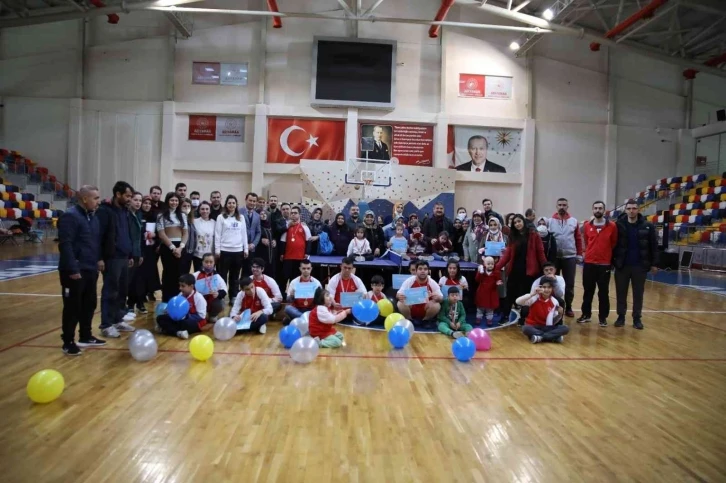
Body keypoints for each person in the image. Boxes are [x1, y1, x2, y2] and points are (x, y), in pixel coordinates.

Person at [57, 185, 106, 355]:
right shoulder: (70, 216)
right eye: (95, 198)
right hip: (74, 270)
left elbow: (95, 242)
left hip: (90, 268)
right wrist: (72, 268)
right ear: (84, 199)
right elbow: (66, 244)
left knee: (89, 303)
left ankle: (85, 335)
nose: (98, 201)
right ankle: (68, 341)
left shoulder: (93, 218)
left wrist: (98, 259)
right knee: (73, 307)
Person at [96, 181, 136, 338]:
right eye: (127, 196)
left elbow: (127, 233)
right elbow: (99, 236)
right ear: (118, 194)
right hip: (112, 258)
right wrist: (100, 258)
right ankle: (106, 324)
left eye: (131, 196)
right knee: (110, 291)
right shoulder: (104, 211)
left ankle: (117, 319)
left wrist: (130, 255)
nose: (129, 199)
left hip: (124, 257)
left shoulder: (125, 211)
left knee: (122, 291)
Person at [612, 200, 658, 330]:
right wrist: (613, 262)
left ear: (638, 210)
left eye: (634, 208)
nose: (631, 211)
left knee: (638, 294)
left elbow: (654, 246)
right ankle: (621, 317)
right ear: (625, 210)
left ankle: (637, 318)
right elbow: (613, 244)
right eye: (629, 208)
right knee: (621, 293)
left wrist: (654, 264)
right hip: (622, 265)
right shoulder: (618, 225)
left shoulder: (648, 226)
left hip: (640, 266)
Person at [495, 214, 547, 319]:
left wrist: (546, 268)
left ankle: (524, 318)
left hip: (529, 271)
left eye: (519, 221)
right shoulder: (512, 236)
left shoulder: (534, 235)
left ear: (523, 221)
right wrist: (496, 267)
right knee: (510, 294)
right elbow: (507, 254)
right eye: (515, 222)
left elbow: (540, 252)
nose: (517, 224)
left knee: (526, 295)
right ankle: (505, 315)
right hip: (514, 270)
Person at [578, 201, 618, 327]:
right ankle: (586, 315)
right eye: (595, 208)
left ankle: (603, 317)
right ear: (592, 210)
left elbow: (613, 242)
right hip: (589, 263)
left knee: (603, 292)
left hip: (604, 264)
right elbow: (586, 242)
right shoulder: (587, 226)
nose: (598, 210)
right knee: (588, 291)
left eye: (600, 208)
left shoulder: (612, 226)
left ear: (604, 210)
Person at [547, 198, 583, 318]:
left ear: (567, 207)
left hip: (570, 257)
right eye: (560, 205)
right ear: (556, 206)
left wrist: (579, 254)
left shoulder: (574, 221)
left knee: (569, 284)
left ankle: (569, 307)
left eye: (564, 205)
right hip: (554, 258)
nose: (562, 207)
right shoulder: (549, 221)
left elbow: (578, 239)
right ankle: (554, 306)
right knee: (553, 282)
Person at [215, 194, 249, 305]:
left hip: (238, 251)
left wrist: (245, 249)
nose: (231, 205)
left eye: (233, 203)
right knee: (222, 275)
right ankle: (221, 297)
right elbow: (217, 234)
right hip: (224, 251)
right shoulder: (221, 217)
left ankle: (233, 296)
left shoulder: (241, 217)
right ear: (226, 204)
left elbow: (244, 234)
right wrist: (217, 250)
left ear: (236, 205)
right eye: (229, 203)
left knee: (235, 276)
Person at [157, 192, 189, 303]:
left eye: (176, 200)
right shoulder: (161, 215)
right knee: (168, 273)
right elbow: (161, 234)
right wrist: (172, 248)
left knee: (180, 273)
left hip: (180, 247)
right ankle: (166, 298)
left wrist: (180, 247)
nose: (174, 202)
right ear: (167, 201)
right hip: (167, 248)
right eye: (172, 200)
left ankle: (179, 297)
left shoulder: (183, 215)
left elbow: (185, 233)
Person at [515, 277, 568, 344]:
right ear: (540, 287)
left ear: (552, 289)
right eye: (544, 287)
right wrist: (531, 294)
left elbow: (552, 322)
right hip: (533, 326)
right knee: (525, 328)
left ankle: (540, 337)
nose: (546, 290)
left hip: (546, 327)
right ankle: (552, 337)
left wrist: (559, 315)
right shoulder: (534, 298)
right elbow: (518, 301)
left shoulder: (555, 301)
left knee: (565, 328)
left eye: (549, 287)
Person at [155, 273, 207, 340]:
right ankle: (178, 333)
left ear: (191, 286)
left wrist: (186, 316)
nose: (180, 288)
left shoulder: (198, 297)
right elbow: (175, 308)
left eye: (183, 286)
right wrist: (169, 312)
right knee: (160, 318)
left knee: (185, 323)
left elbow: (201, 316)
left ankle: (168, 330)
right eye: (179, 285)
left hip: (192, 322)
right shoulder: (180, 295)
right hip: (180, 320)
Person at [397, 260, 443, 325]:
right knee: (400, 303)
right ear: (416, 271)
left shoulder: (432, 282)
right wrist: (399, 296)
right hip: (411, 307)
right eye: (420, 269)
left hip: (425, 308)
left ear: (428, 271)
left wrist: (438, 298)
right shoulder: (409, 280)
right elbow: (398, 294)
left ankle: (425, 321)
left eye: (425, 269)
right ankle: (409, 320)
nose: (423, 271)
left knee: (437, 305)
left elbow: (441, 297)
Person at [280, 205, 311, 287]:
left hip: (300, 257)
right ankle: (282, 293)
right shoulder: (287, 226)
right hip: (288, 257)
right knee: (284, 277)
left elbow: (308, 240)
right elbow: (283, 240)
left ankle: (295, 293)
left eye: (295, 213)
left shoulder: (304, 226)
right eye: (292, 213)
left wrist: (307, 253)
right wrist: (282, 253)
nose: (293, 214)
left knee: (296, 278)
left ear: (299, 214)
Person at [125, 192, 146, 315]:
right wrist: (129, 255)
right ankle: (127, 306)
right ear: (130, 200)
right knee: (128, 281)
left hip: (137, 252)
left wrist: (141, 253)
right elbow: (127, 236)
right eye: (135, 200)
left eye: (140, 200)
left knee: (137, 280)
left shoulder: (138, 214)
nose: (138, 203)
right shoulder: (126, 215)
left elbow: (140, 237)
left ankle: (134, 303)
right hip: (129, 253)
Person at [192, 253, 227, 323]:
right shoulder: (195, 275)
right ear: (202, 262)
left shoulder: (217, 276)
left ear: (214, 263)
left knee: (221, 303)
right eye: (206, 262)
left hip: (212, 300)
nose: (208, 264)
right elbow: (189, 287)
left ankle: (213, 315)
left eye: (211, 262)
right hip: (199, 300)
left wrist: (218, 294)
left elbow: (224, 290)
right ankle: (200, 314)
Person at [138, 195, 161, 303]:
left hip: (151, 249)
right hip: (140, 248)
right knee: (141, 273)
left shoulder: (154, 216)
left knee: (151, 271)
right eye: (145, 203)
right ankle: (141, 294)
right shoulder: (138, 215)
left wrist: (155, 235)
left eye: (149, 204)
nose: (147, 205)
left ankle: (150, 291)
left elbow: (159, 232)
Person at [284, 259, 322, 323]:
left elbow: (321, 301)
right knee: (287, 308)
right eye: (304, 268)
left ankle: (299, 319)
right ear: (300, 269)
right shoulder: (294, 282)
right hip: (298, 309)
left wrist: (317, 296)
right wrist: (291, 296)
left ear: (311, 269)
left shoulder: (316, 283)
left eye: (308, 268)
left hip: (311, 309)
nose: (306, 270)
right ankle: (309, 319)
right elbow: (288, 300)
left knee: (321, 309)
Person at [476, 256, 503, 326]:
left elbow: (499, 280)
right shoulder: (482, 271)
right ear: (484, 264)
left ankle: (489, 320)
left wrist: (498, 282)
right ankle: (478, 318)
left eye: (492, 264)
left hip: (491, 293)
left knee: (490, 308)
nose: (490, 265)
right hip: (482, 292)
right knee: (480, 307)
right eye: (488, 264)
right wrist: (480, 272)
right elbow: (477, 279)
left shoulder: (496, 272)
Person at [239, 192, 261, 275]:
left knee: (248, 271)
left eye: (254, 201)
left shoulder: (257, 216)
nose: (252, 203)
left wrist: (253, 244)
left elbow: (258, 232)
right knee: (236, 271)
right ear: (245, 200)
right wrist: (244, 244)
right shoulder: (238, 212)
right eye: (250, 200)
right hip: (240, 247)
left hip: (251, 248)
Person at [192, 201, 215, 272]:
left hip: (210, 255)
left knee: (209, 275)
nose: (205, 211)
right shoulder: (194, 221)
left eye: (207, 209)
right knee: (198, 274)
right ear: (199, 211)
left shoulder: (214, 222)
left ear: (210, 210)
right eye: (202, 209)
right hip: (197, 255)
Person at [256, 210, 277, 276]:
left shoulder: (270, 226)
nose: (263, 215)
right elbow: (253, 237)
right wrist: (261, 240)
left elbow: (273, 236)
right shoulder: (257, 226)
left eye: (265, 213)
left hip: (271, 254)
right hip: (261, 252)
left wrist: (274, 241)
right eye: (261, 214)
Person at [180, 197, 195, 276]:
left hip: (190, 252)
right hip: (181, 251)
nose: (187, 208)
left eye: (188, 206)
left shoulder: (191, 220)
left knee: (186, 274)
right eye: (184, 206)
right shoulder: (179, 219)